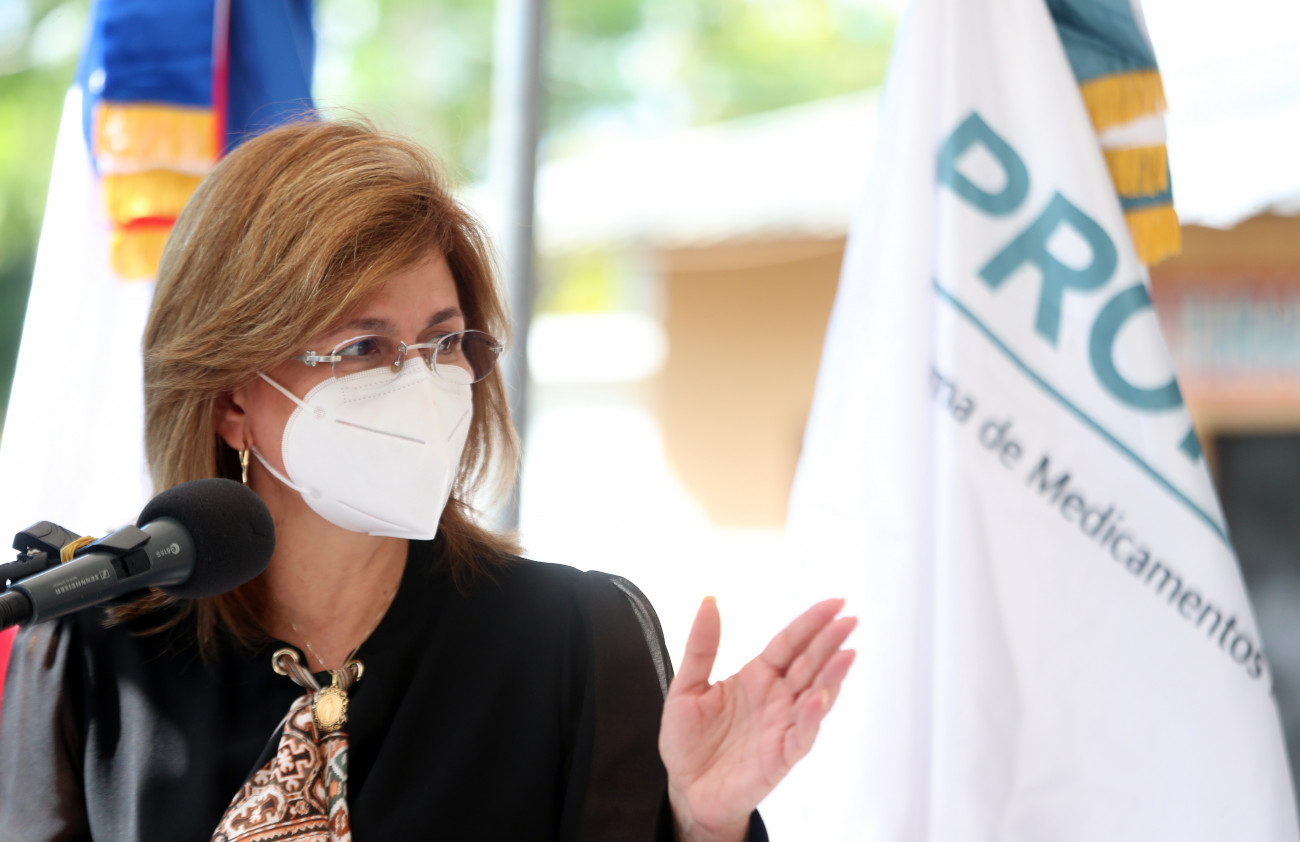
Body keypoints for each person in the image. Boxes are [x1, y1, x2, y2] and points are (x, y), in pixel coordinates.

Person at [0, 119, 855, 841]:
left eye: (444, 342)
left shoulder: (575, 641)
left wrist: (704, 826)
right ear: (231, 401)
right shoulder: (91, 652)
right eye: (364, 347)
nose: (420, 384)